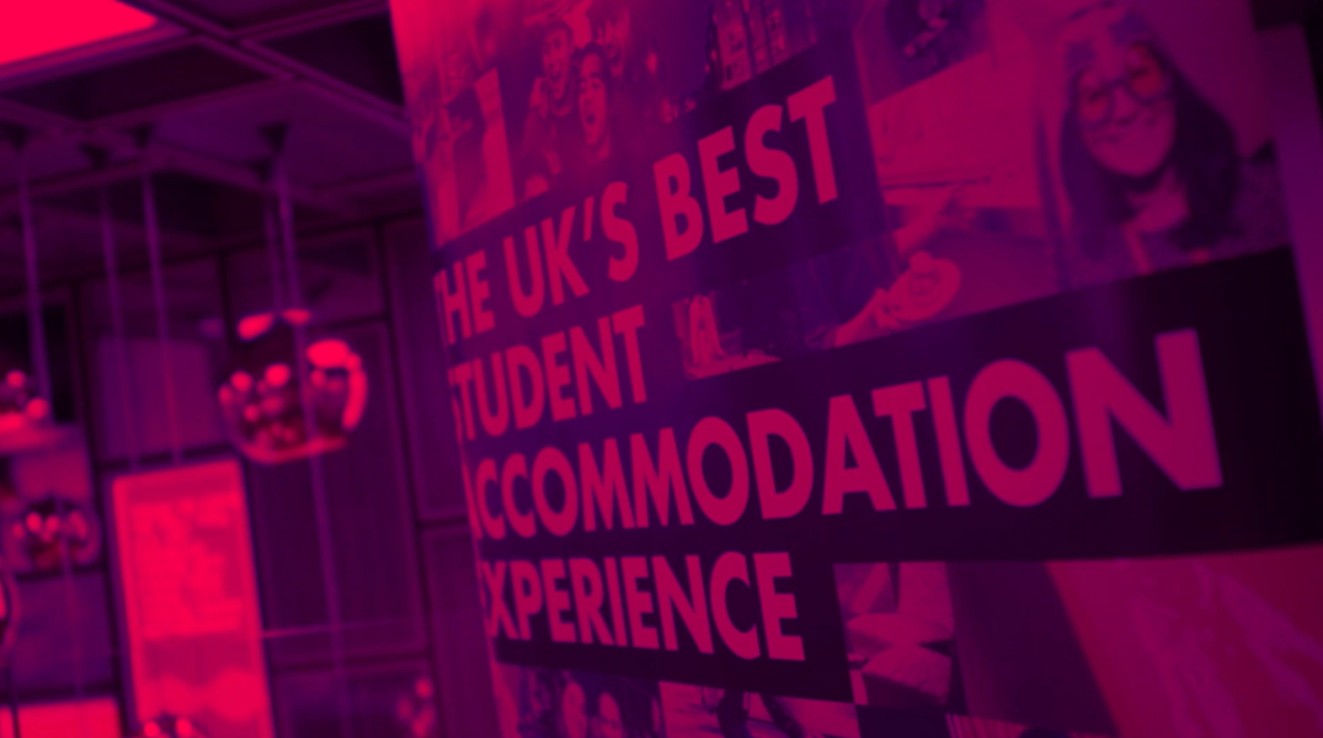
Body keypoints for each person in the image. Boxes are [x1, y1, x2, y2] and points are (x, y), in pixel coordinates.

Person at [1056, 1, 1288, 287]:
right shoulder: (1087, 250)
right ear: (1078, 127)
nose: (1125, 109)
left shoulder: (1270, 196)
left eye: (1139, 74)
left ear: (1171, 81)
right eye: (1095, 95)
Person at [521, 20, 577, 193]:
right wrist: (537, 119)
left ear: (571, 46)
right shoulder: (537, 117)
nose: (552, 59)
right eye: (546, 51)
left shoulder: (587, 91)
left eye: (557, 45)